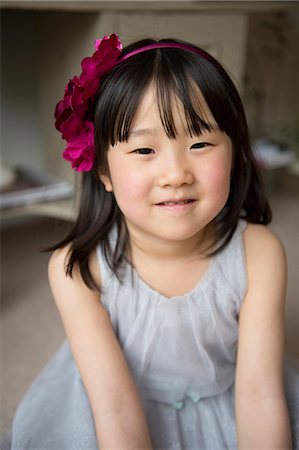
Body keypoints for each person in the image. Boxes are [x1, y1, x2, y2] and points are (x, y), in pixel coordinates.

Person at [11, 34, 299, 450]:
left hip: (232, 397)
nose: (175, 173)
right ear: (104, 173)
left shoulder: (259, 253)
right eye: (145, 149)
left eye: (199, 144)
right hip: (115, 406)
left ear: (236, 154)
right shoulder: (78, 268)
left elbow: (260, 393)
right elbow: (112, 407)